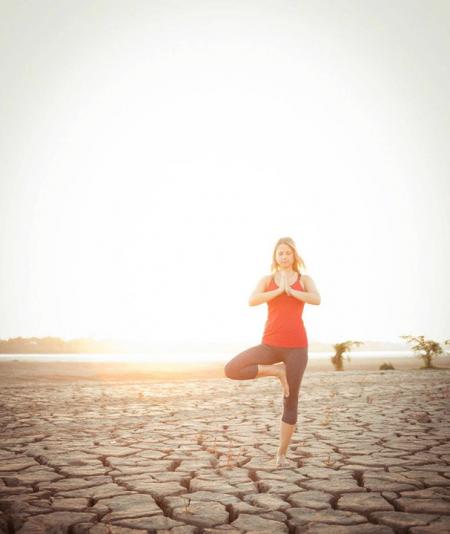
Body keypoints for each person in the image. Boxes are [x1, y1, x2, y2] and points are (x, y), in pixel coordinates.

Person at [224, 236, 321, 467]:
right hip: (270, 344)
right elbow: (253, 300)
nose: (284, 256)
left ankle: (281, 455)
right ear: (275, 257)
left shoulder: (304, 279)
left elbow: (316, 299)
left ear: (294, 256)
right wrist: (278, 290)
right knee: (232, 368)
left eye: (288, 252)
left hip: (297, 348)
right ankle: (277, 372)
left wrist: (293, 292)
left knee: (290, 400)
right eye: (280, 253)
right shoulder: (267, 280)